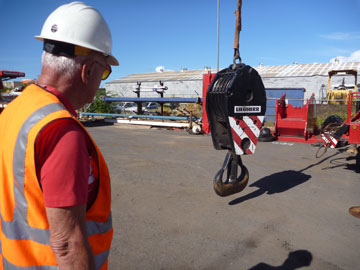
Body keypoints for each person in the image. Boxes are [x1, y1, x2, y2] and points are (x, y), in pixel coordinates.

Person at [0, 2, 119, 269]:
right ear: (88, 70)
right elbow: (66, 243)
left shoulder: (14, 111)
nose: (102, 79)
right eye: (104, 71)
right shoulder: (61, 131)